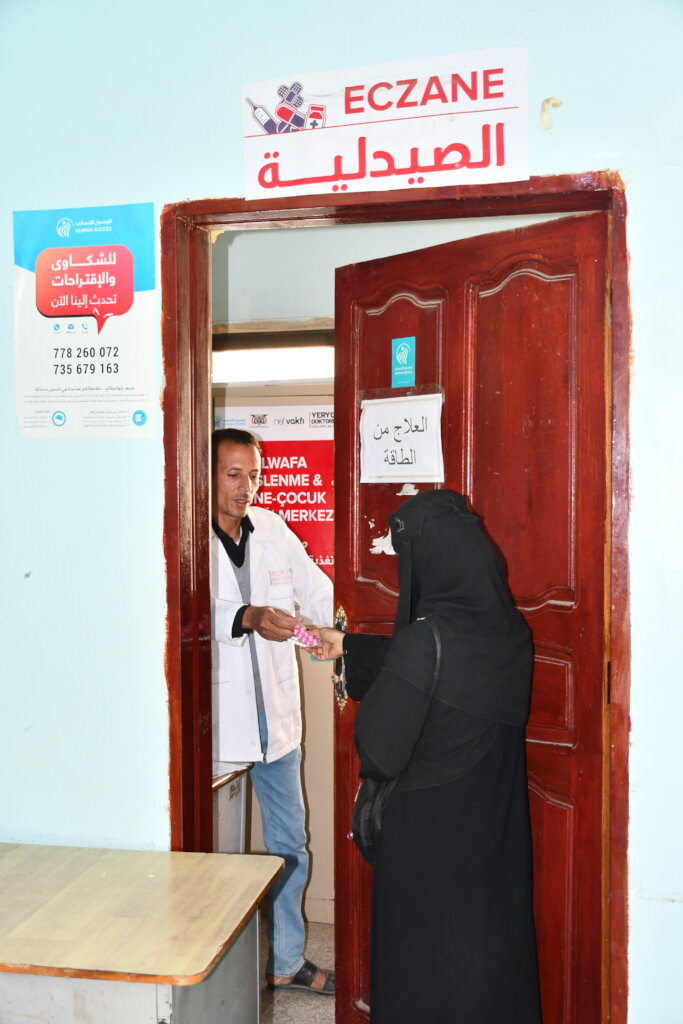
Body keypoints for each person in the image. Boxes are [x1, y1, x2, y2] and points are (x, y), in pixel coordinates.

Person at [312, 489, 542, 1023]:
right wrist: (347, 644)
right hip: (493, 828)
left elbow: (380, 751)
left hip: (428, 840)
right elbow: (443, 672)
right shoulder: (510, 632)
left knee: (426, 968)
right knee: (488, 953)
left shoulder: (424, 639)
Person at [211, 427, 334, 996]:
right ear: (207, 475)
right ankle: (214, 972)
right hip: (218, 731)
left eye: (254, 475)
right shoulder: (184, 534)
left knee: (291, 849)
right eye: (234, 475)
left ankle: (285, 960)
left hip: (277, 725)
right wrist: (247, 616)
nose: (246, 488)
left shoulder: (274, 531)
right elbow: (184, 614)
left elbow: (316, 592)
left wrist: (347, 636)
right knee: (216, 862)